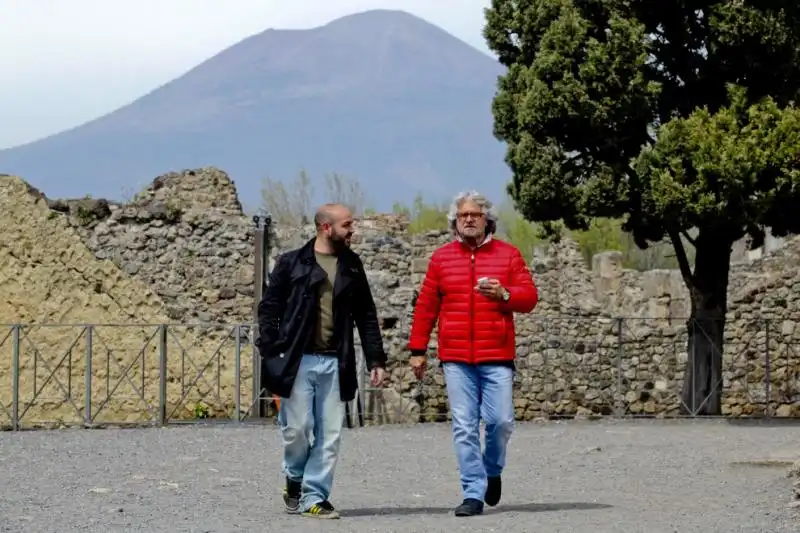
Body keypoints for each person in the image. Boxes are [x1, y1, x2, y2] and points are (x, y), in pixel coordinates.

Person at [407, 190, 539, 517]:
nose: (468, 219)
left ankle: (492, 469)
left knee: (500, 422)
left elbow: (530, 298)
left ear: (486, 219)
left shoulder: (508, 255)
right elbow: (426, 307)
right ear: (455, 220)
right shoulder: (441, 259)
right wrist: (418, 350)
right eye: (463, 215)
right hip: (456, 358)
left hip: (497, 356)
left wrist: (505, 293)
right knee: (464, 426)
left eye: (475, 215)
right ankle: (472, 493)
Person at [256, 203, 387, 520]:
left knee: (330, 434)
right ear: (326, 227)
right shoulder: (291, 264)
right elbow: (269, 309)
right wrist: (272, 348)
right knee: (297, 430)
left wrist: (375, 359)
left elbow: (366, 315)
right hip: (297, 362)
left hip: (335, 362)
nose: (352, 230)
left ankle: (315, 497)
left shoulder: (352, 266)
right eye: (347, 224)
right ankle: (294, 478)